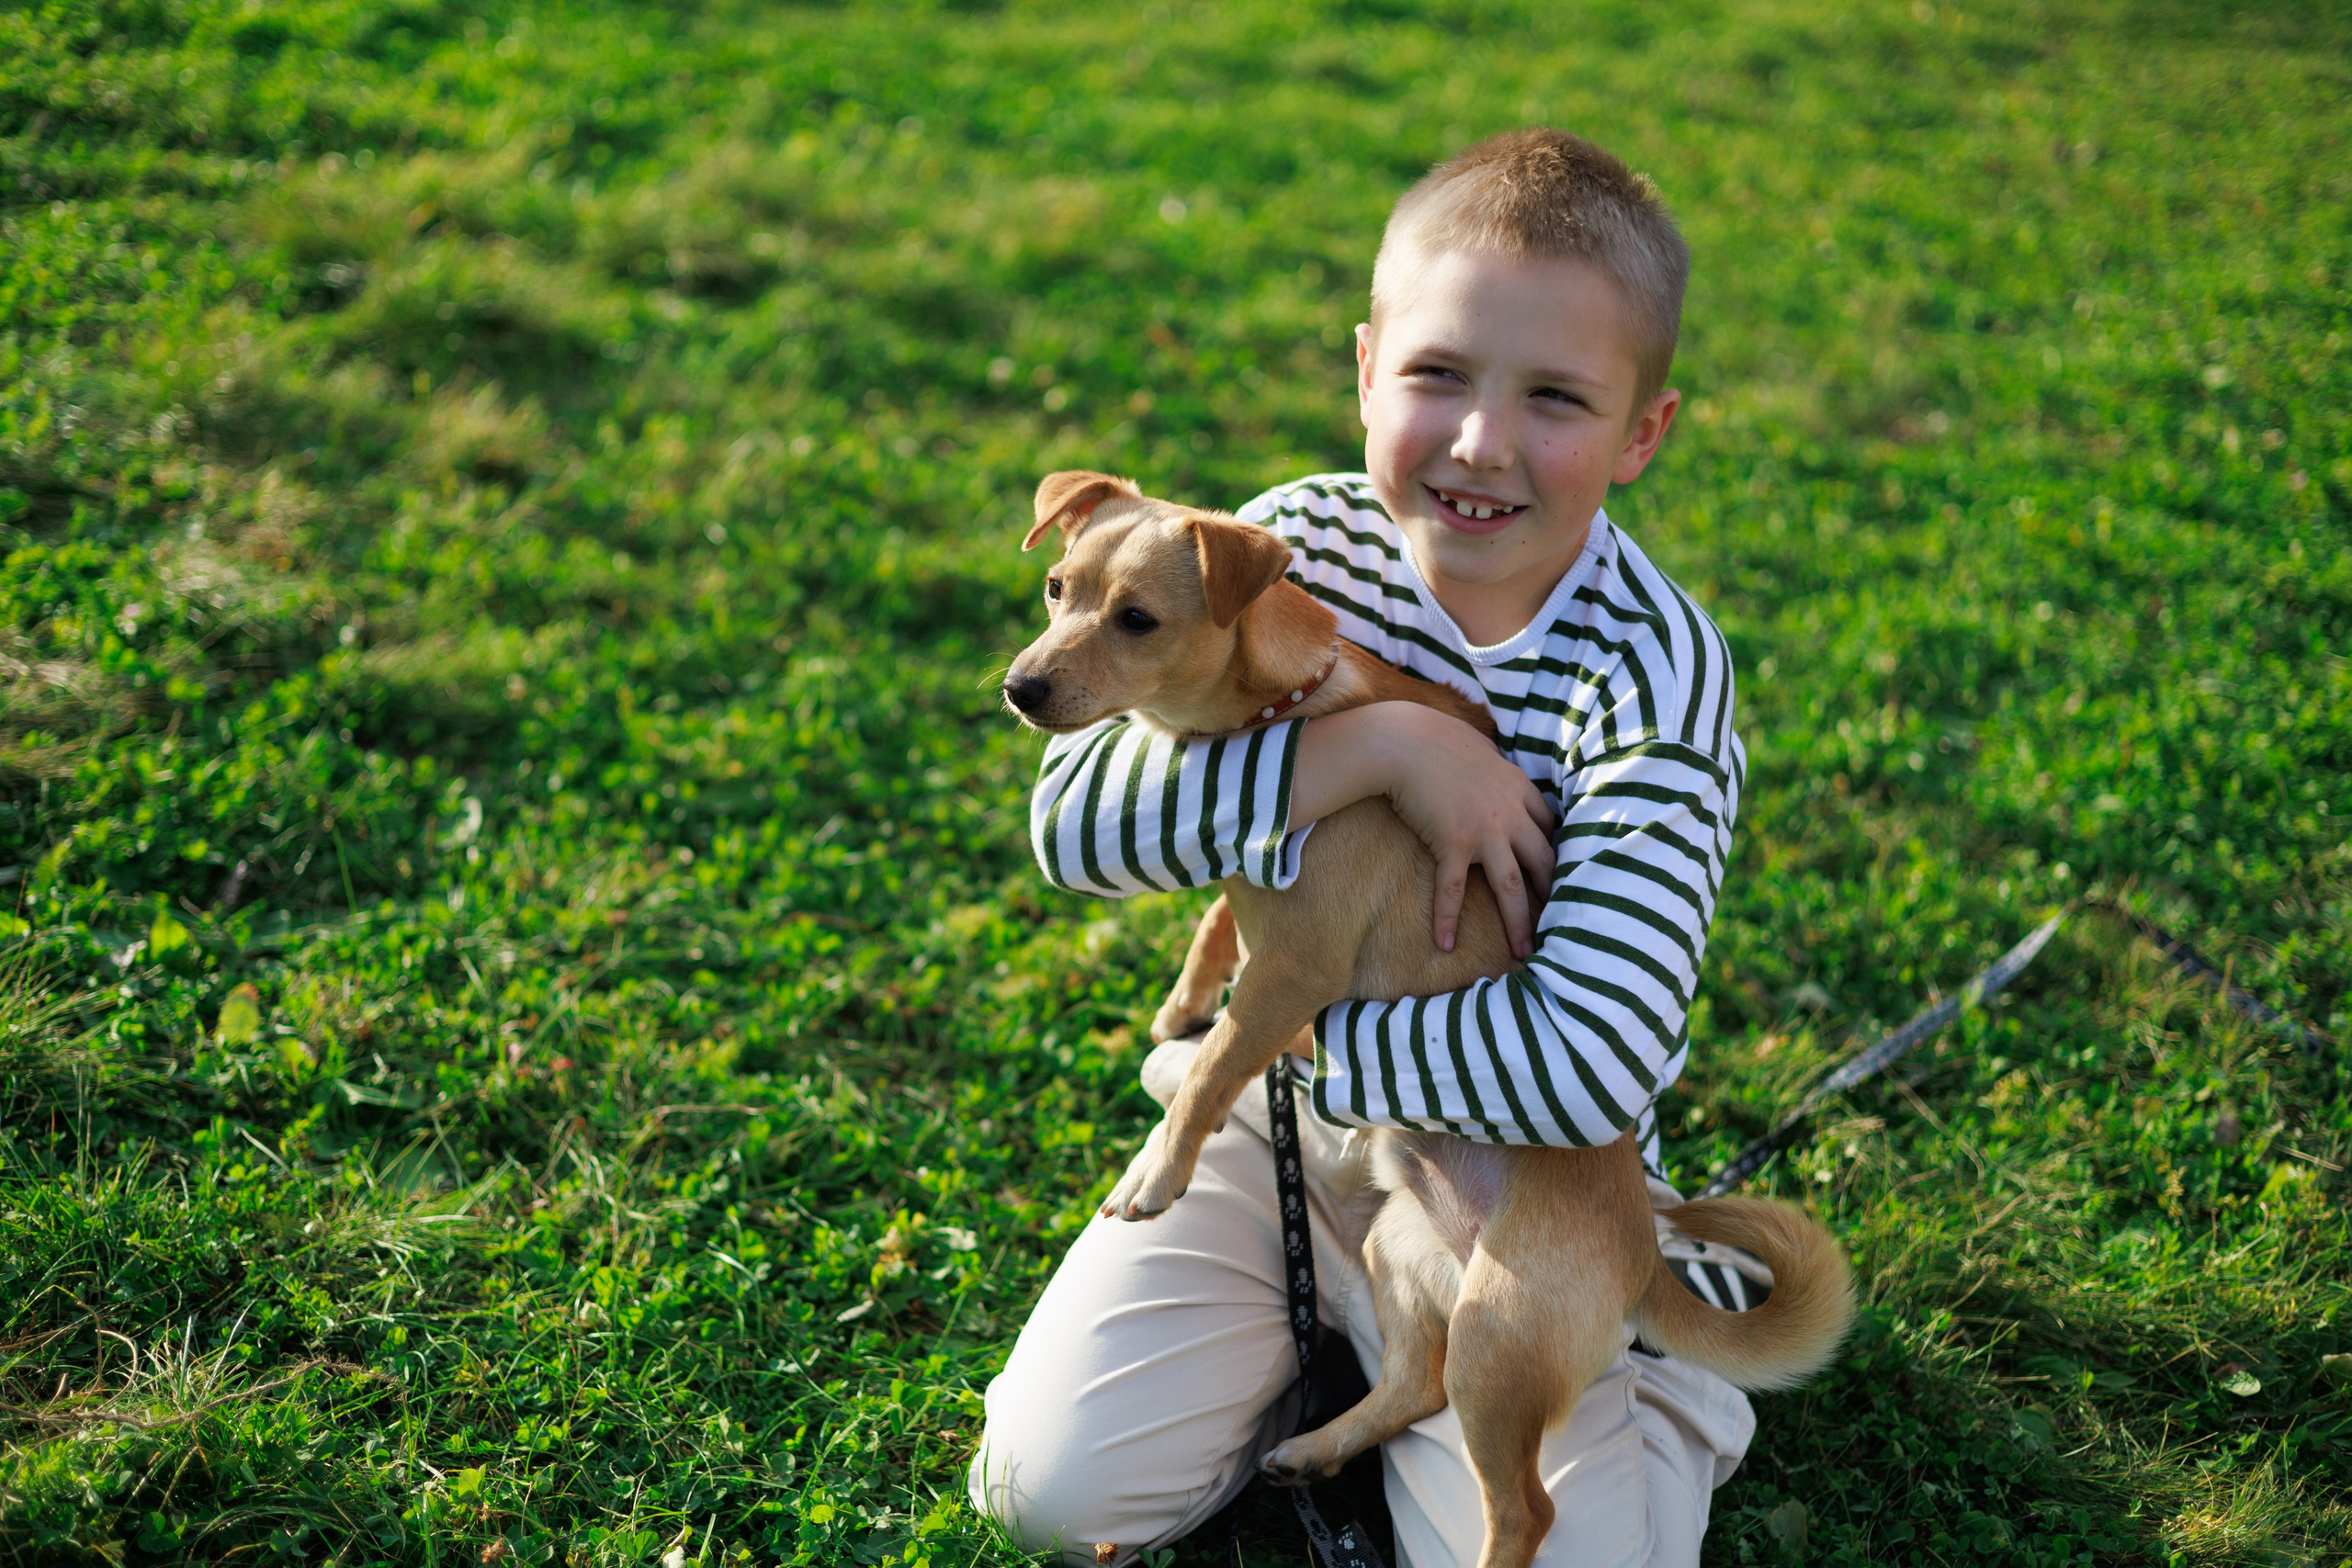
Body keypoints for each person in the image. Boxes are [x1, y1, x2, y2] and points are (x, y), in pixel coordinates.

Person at [970, 129, 1765, 1568]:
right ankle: (1324, 1327)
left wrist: (1311, 1028)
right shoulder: (1285, 548)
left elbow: (1592, 1055)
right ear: (1363, 370)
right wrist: (1382, 751)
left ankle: (1654, 1370)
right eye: (1439, 375)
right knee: (1050, 1498)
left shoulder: (1651, 680)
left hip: (1503, 1171)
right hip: (1271, 1139)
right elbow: (1073, 826)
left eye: (1557, 399)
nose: (1480, 444)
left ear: (1643, 433)